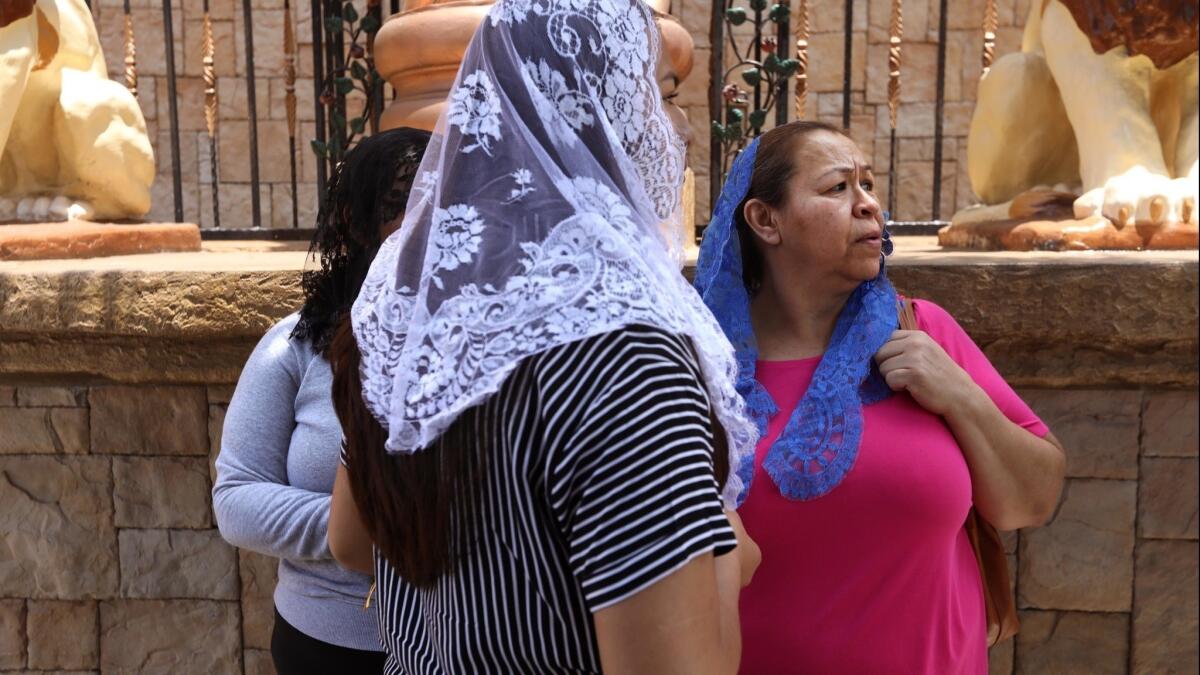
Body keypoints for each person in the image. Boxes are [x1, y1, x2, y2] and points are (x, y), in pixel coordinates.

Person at [326, 1, 762, 673]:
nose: (673, 128)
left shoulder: (407, 300)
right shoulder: (626, 352)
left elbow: (352, 542)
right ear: (601, 104)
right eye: (658, 93)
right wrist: (728, 553)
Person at [694, 121, 1066, 674]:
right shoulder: (704, 369)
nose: (868, 204)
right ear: (765, 220)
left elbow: (1030, 502)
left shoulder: (923, 331)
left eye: (868, 184)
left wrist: (959, 396)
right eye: (837, 188)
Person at [212, 127, 432, 675]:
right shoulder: (296, 348)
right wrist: (358, 530)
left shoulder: (487, 344)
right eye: (396, 205)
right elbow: (236, 499)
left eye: (436, 201)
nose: (419, 225)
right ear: (352, 224)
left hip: (455, 644)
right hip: (326, 645)